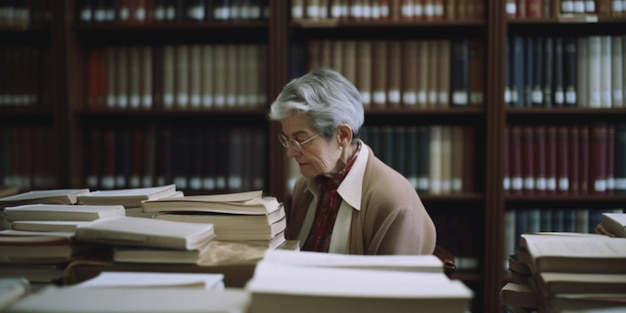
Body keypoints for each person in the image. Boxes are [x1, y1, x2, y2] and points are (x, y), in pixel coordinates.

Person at [268, 67, 437, 255]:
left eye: (300, 140)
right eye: (287, 140)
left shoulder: (392, 202)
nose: (290, 153)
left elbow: (391, 283)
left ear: (343, 136)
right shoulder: (304, 186)